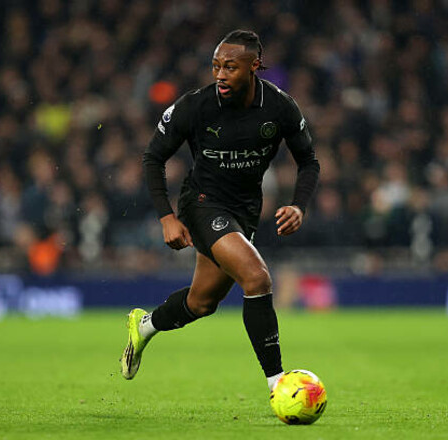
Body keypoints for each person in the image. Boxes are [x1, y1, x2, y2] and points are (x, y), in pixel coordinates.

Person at [121, 30, 320, 392]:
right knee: (257, 278)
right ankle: (278, 384)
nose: (220, 75)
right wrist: (167, 216)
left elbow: (308, 161)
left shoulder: (279, 107)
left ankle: (145, 325)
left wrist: (298, 205)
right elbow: (153, 157)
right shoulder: (195, 106)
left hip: (245, 211)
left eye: (230, 67)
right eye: (216, 66)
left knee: (201, 303)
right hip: (202, 203)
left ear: (254, 66)